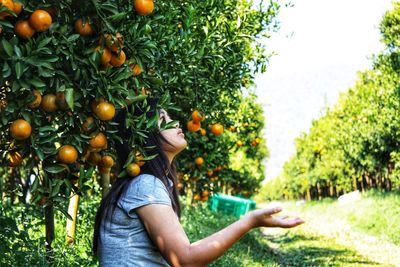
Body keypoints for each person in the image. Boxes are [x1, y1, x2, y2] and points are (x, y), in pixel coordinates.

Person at [93, 101, 304, 266]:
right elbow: (185, 260)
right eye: (163, 119)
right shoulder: (144, 186)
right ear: (145, 136)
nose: (175, 123)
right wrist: (250, 221)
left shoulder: (152, 183)